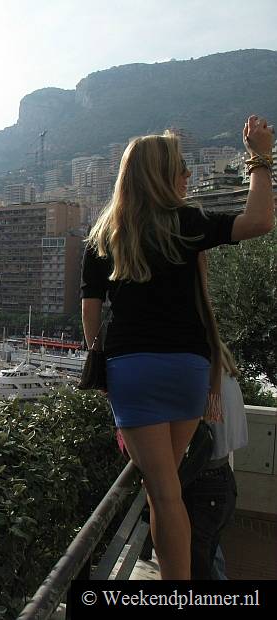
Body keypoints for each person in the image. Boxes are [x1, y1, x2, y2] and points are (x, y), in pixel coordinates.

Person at [80, 115, 273, 579]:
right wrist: (261, 158)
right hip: (188, 369)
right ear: (163, 174)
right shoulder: (188, 223)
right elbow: (261, 220)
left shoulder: (105, 234)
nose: (188, 172)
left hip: (133, 369)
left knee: (162, 492)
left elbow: (90, 314)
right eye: (181, 166)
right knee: (168, 489)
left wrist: (99, 358)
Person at [180, 253, 249, 580]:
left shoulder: (198, 370)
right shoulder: (221, 364)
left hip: (204, 486)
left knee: (201, 570)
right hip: (223, 484)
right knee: (210, 560)